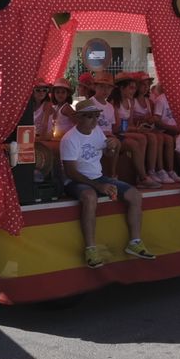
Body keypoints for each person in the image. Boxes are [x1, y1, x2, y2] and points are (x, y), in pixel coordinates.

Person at [58, 99, 153, 268]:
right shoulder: (69, 139)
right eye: (89, 116)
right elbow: (70, 172)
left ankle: (135, 241)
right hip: (75, 180)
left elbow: (108, 154)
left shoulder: (97, 132)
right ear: (79, 118)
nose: (94, 120)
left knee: (135, 195)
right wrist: (98, 186)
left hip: (97, 177)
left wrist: (113, 146)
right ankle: (91, 248)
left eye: (96, 116)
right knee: (89, 196)